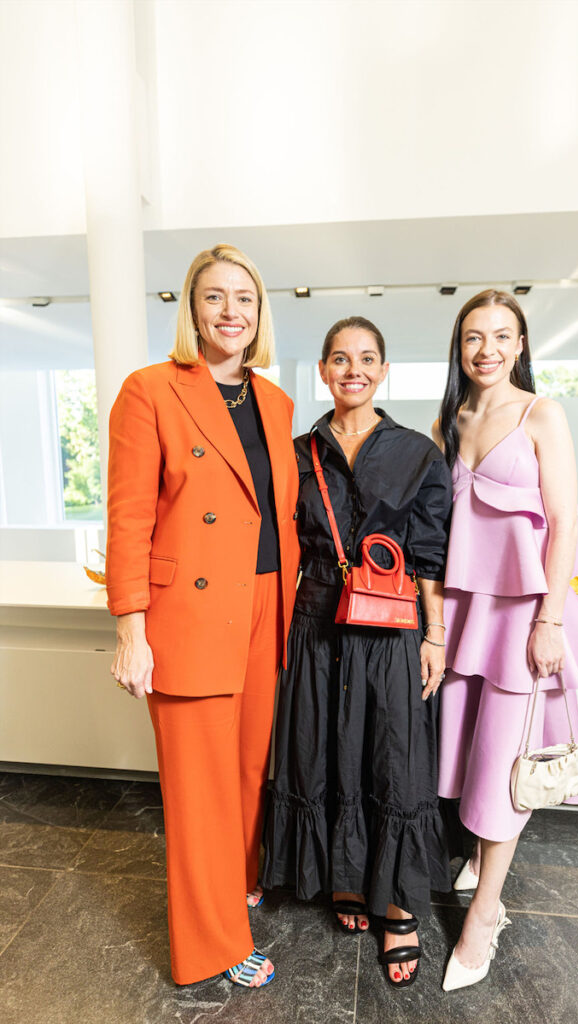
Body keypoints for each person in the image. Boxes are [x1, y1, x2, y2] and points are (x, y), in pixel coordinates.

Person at [105, 244, 300, 989]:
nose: (231, 312)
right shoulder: (149, 390)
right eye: (214, 297)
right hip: (186, 614)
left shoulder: (274, 402)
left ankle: (237, 882)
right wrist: (131, 629)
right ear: (191, 309)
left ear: (260, 314)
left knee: (249, 773)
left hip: (262, 609)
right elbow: (127, 519)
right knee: (200, 789)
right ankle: (214, 944)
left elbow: (276, 516)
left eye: (244, 299)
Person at [262, 316, 453, 988]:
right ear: (322, 370)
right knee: (326, 751)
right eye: (340, 359)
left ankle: (398, 907)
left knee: (393, 757)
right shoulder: (295, 452)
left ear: (384, 370)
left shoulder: (418, 454)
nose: (354, 370)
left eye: (367, 358)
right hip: (315, 622)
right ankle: (346, 879)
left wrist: (435, 637)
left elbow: (430, 554)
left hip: (392, 624)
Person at [433, 289, 578, 991]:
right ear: (461, 346)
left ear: (522, 344)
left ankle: (484, 915)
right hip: (467, 610)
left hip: (524, 615)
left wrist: (550, 620)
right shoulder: (456, 417)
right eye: (475, 337)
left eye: (502, 336)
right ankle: (480, 858)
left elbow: (563, 523)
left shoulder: (543, 413)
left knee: (507, 763)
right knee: (473, 748)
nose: (487, 350)